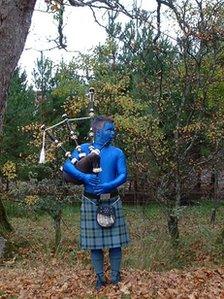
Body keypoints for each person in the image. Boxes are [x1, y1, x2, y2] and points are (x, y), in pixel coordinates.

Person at [63, 115, 129, 290]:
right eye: (110, 129)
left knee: (116, 243)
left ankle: (115, 277)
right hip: (91, 201)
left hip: (112, 200)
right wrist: (83, 176)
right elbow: (67, 166)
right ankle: (100, 278)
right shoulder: (84, 149)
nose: (113, 133)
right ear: (98, 131)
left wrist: (109, 185)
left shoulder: (117, 152)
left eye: (113, 129)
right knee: (95, 245)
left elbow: (123, 175)